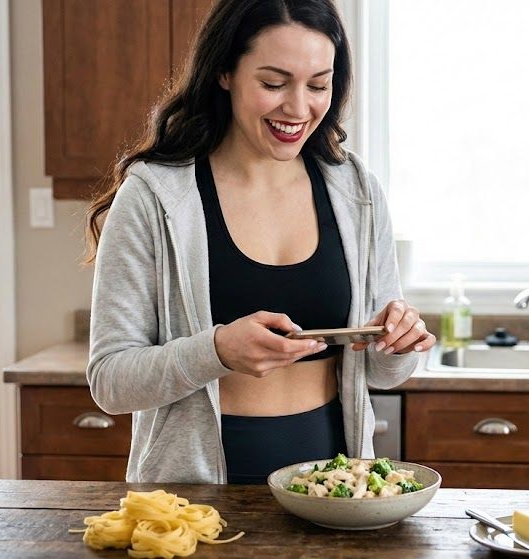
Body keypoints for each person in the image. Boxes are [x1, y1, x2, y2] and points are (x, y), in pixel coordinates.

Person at [82, 0, 435, 484]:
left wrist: (397, 344)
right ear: (225, 72)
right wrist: (218, 351)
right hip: (196, 492)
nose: (298, 107)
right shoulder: (155, 195)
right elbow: (110, 382)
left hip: (333, 483)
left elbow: (380, 373)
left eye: (318, 85)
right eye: (273, 83)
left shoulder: (356, 191)